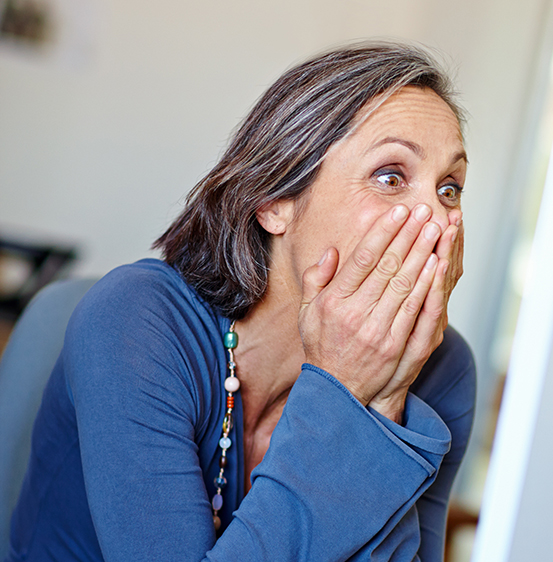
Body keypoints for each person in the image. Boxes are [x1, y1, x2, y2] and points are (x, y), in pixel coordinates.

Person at [7, 42, 476, 561]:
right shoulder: (134, 322)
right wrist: (345, 391)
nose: (437, 218)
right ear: (275, 202)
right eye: (390, 177)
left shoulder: (442, 369)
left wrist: (385, 402)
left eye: (450, 188)